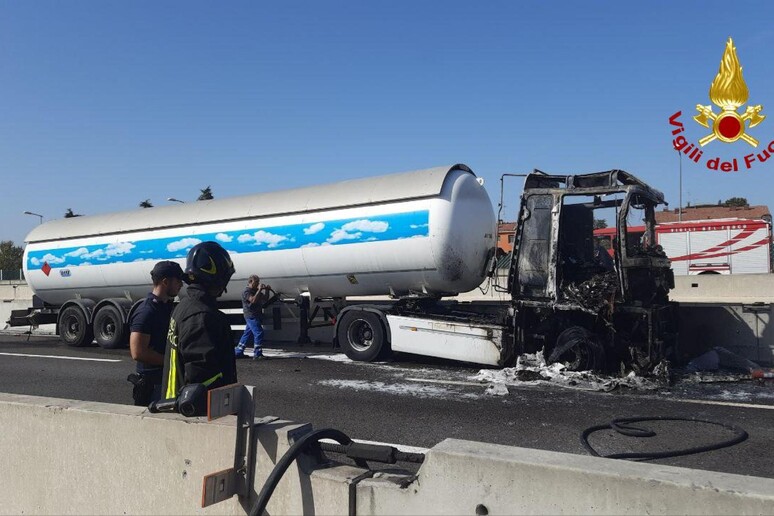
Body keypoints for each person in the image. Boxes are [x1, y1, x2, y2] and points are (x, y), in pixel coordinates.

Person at [161, 241, 237, 405]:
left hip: (175, 403)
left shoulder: (184, 306)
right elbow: (202, 378)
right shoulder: (202, 315)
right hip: (197, 415)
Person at [128, 260, 185, 406]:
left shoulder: (166, 307)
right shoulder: (146, 311)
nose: (181, 285)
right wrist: (172, 361)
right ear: (165, 282)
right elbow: (137, 352)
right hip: (152, 386)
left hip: (166, 381)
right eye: (178, 281)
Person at [234, 275, 272, 360]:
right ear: (251, 282)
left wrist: (267, 291)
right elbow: (253, 300)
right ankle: (257, 353)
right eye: (256, 282)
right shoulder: (246, 292)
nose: (258, 283)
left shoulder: (255, 291)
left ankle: (238, 351)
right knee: (259, 332)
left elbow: (265, 299)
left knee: (247, 333)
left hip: (255, 315)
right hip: (251, 315)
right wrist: (259, 290)